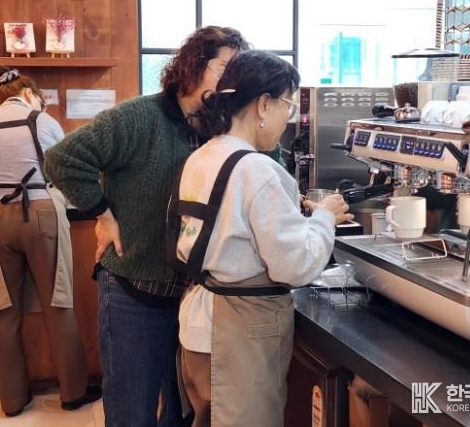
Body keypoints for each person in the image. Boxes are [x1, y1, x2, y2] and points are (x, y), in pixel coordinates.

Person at [43, 26, 250, 427]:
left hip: (195, 297)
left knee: (183, 410)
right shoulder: (140, 117)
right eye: (225, 68)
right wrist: (103, 214)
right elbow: (62, 159)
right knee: (131, 411)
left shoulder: (222, 126)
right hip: (133, 291)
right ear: (194, 66)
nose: (232, 80)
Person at [167, 50, 353, 427]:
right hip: (239, 332)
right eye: (287, 105)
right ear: (263, 105)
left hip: (199, 324)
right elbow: (295, 266)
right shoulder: (258, 169)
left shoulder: (202, 157)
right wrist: (324, 218)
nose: (289, 119)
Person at [0, 67, 101, 417]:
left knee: (2, 308)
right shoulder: (43, 122)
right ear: (28, 94)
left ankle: (12, 400)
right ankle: (72, 392)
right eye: (41, 99)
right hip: (42, 214)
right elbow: (65, 168)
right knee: (58, 300)